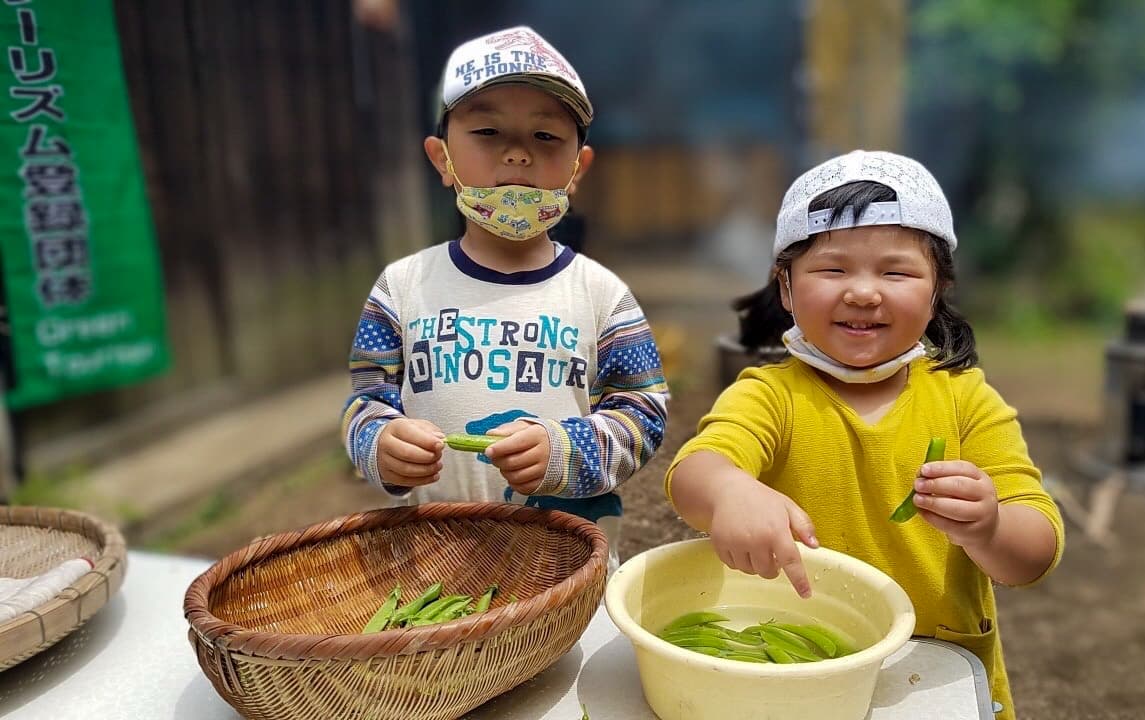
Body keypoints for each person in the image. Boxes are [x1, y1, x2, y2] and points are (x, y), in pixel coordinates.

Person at [665, 149, 1063, 717]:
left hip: (931, 676)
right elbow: (695, 471)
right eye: (833, 270)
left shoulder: (966, 399)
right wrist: (730, 490)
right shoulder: (770, 395)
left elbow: (1036, 552)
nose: (863, 292)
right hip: (800, 667)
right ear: (785, 288)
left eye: (895, 272)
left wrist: (990, 526)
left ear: (937, 289)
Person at [341, 26, 668, 566]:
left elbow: (642, 413)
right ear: (442, 159)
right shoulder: (400, 288)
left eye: (545, 136)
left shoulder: (602, 296)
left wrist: (568, 451)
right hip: (436, 563)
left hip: (566, 571)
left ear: (578, 168)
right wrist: (379, 444)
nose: (517, 154)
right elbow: (366, 400)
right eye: (488, 131)